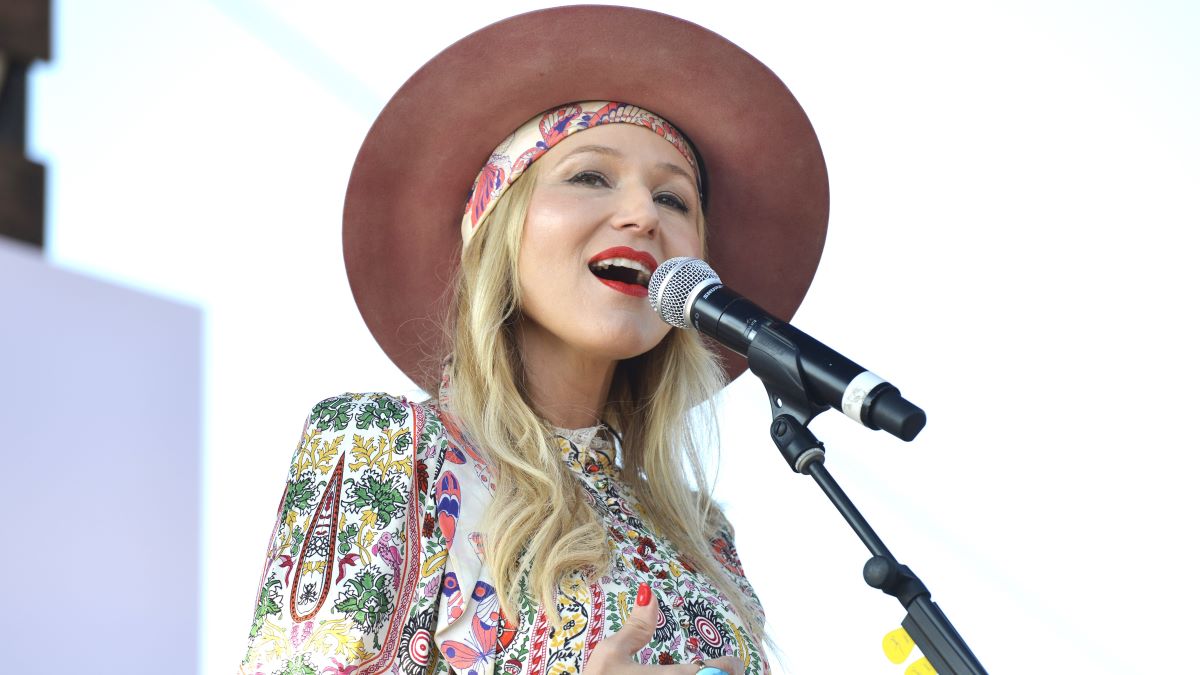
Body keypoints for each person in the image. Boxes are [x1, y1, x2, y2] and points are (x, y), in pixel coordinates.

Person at [238, 7, 828, 675]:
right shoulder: (385, 446)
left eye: (674, 199)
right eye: (590, 176)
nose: (641, 214)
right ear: (497, 229)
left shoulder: (701, 535)